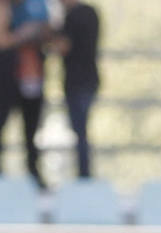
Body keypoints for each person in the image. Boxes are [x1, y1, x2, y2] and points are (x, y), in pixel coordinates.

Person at [0, 0, 52, 187]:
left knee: (31, 128)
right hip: (1, 74)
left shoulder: (29, 6)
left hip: (27, 73)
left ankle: (33, 174)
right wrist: (24, 33)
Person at [50, 0, 100, 180]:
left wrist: (49, 34)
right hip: (91, 79)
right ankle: (85, 174)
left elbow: (63, 47)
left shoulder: (71, 16)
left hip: (76, 82)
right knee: (82, 130)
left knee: (80, 131)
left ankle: (84, 175)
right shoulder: (92, 12)